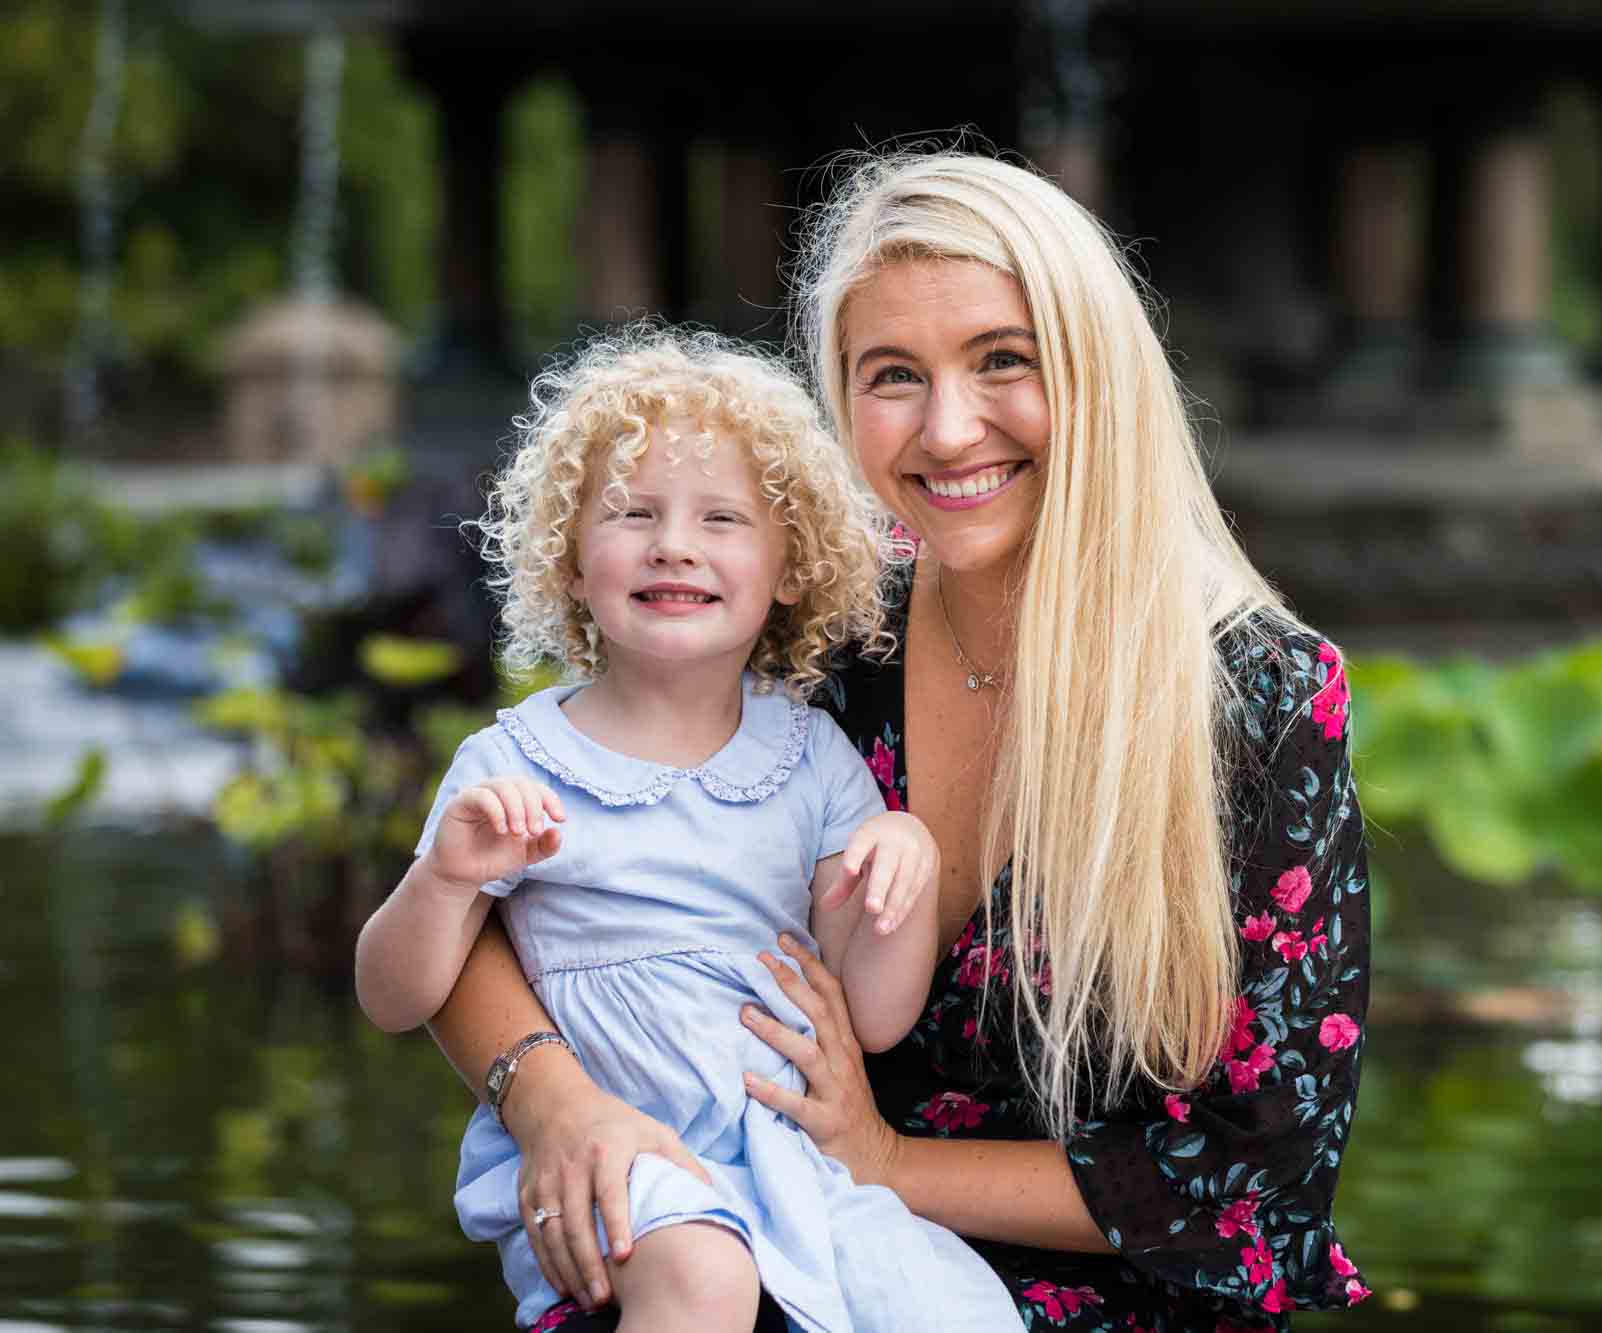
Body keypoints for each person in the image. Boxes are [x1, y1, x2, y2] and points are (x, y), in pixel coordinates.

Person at [426, 150, 1372, 1333]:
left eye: (1001, 361)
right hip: (754, 1230)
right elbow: (490, 898)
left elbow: (1260, 1170)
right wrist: (551, 1099)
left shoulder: (1256, 696)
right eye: (891, 376)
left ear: (1095, 375)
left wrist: (888, 1161)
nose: (948, 427)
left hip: (1110, 1295)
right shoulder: (811, 631)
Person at [354, 326, 1022, 1333]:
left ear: (790, 568)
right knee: (703, 1277)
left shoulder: (810, 762)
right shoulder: (516, 765)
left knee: (953, 1306)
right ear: (570, 560)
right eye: (632, 514)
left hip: (783, 1153)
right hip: (618, 1156)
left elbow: (876, 1016)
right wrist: (445, 880)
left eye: (721, 519)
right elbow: (391, 996)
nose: (675, 543)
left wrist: (907, 866)